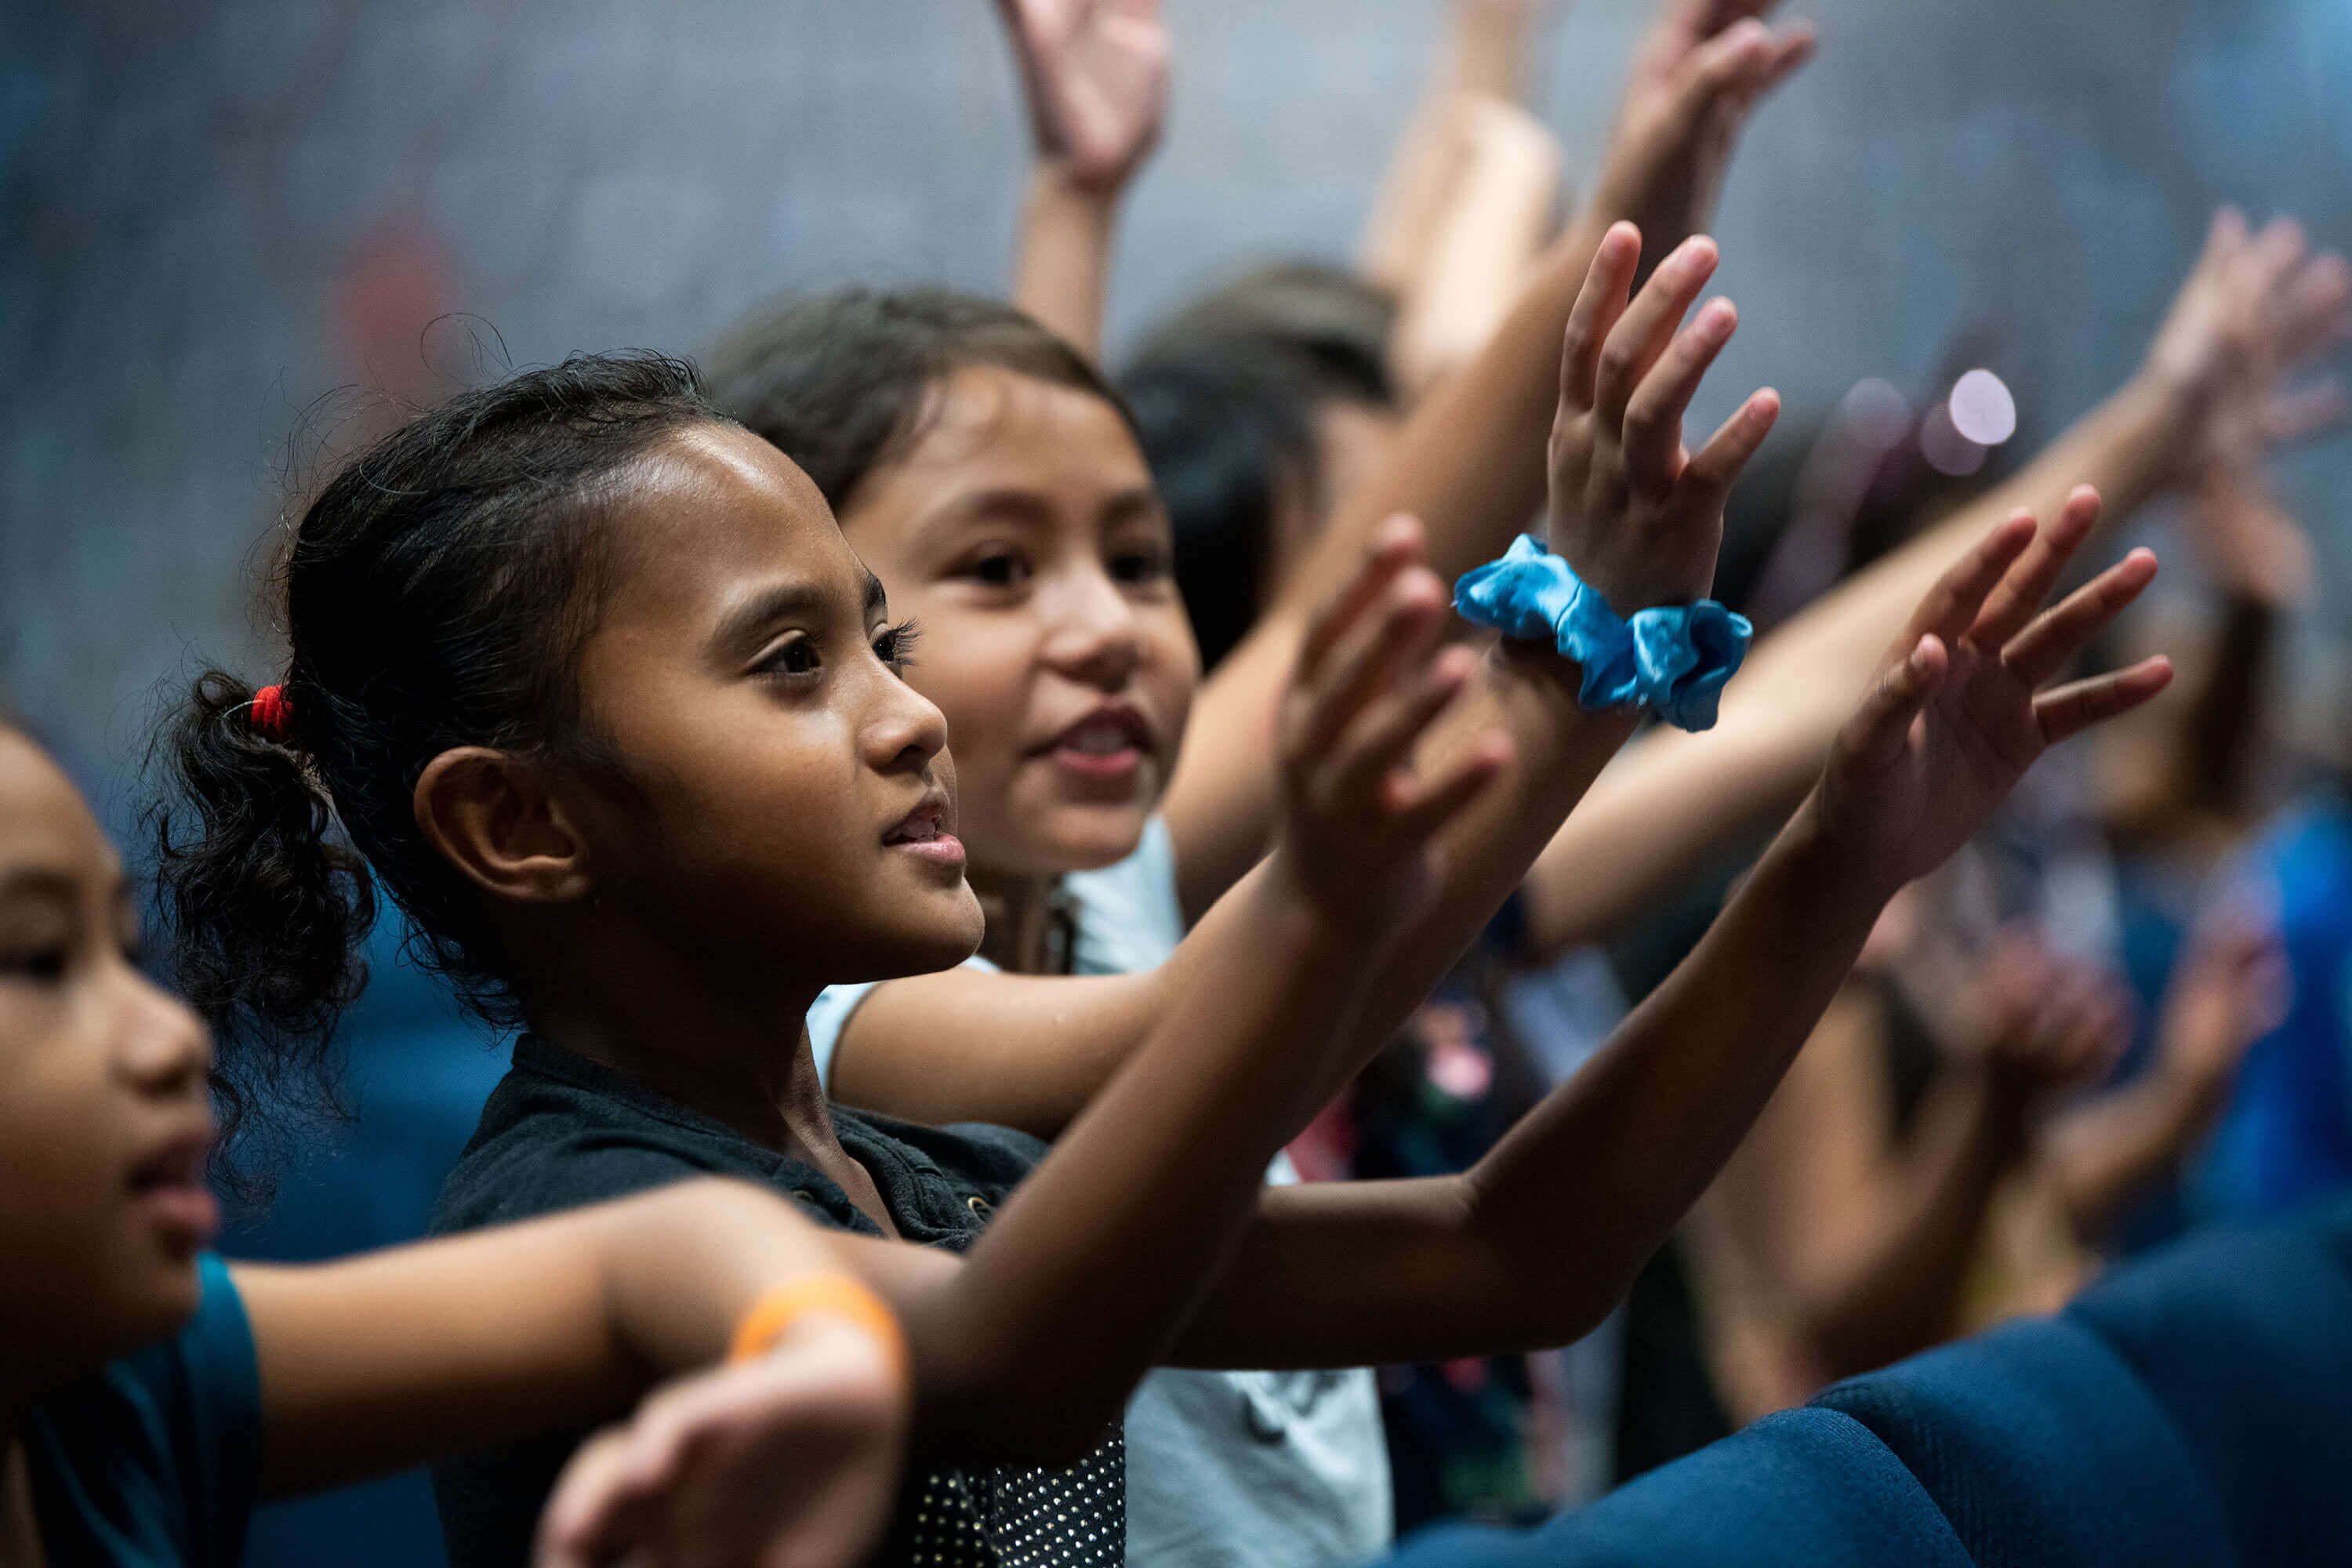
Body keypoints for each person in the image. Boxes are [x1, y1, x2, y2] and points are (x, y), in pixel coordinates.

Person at [0, 720, 916, 1568]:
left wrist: (807, 1336)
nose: (174, 1039)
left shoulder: (121, 1382)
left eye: (126, 955)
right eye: (39, 958)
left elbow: (655, 1252)